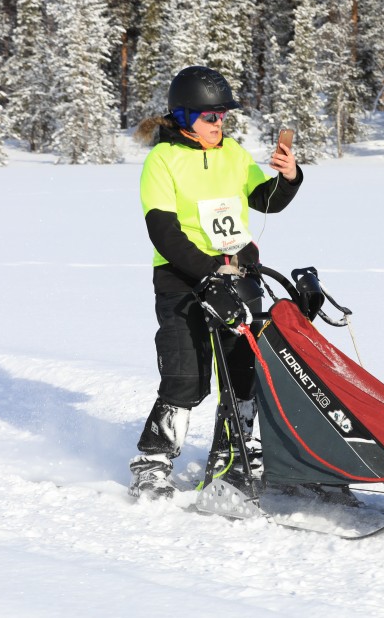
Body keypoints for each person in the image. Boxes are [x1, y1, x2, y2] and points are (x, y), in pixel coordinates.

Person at [129, 65, 302, 500]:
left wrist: (288, 177)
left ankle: (237, 458)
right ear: (185, 117)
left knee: (243, 374)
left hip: (240, 275)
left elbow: (265, 202)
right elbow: (164, 233)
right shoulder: (162, 160)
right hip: (182, 279)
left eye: (223, 116)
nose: (219, 123)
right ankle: (152, 462)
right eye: (210, 117)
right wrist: (207, 272)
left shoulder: (233, 153)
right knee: (186, 376)